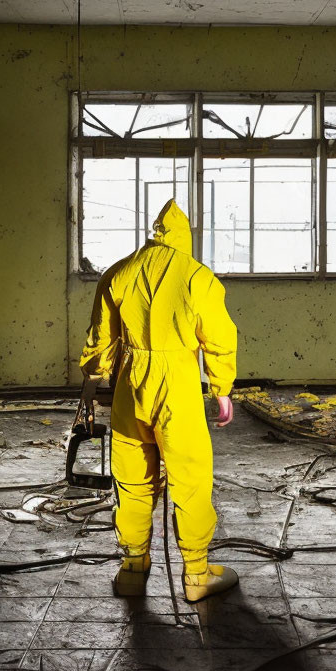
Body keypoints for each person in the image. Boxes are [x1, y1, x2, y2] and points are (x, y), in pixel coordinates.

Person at [79, 199, 239, 601]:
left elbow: (100, 338)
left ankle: (133, 568)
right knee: (190, 480)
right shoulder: (197, 276)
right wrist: (221, 388)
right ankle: (197, 576)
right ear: (185, 238)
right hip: (178, 384)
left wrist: (95, 376)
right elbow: (219, 338)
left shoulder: (120, 271)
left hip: (131, 383)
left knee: (131, 477)